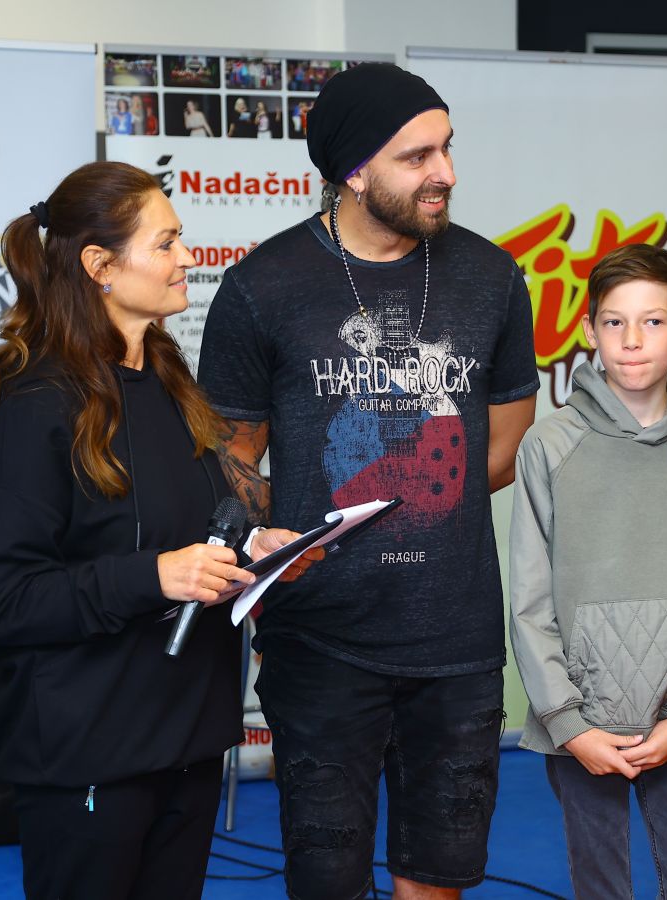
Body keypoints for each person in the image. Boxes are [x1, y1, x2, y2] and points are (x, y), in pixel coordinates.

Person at [198, 62, 538, 899]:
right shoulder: (260, 288)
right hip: (318, 642)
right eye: (418, 155)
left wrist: (414, 493)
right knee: (327, 879)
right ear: (353, 171)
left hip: (455, 642)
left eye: (448, 148)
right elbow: (230, 462)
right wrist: (290, 527)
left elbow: (503, 447)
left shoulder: (491, 278)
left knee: (438, 876)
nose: (446, 173)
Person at [0, 161, 314, 900]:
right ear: (100, 266)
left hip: (185, 740)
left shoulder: (168, 380)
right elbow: (10, 599)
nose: (188, 259)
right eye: (167, 244)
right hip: (89, 755)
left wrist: (253, 551)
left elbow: (190, 531)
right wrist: (155, 576)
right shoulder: (35, 407)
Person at [509, 244, 667, 900]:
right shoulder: (550, 444)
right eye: (614, 323)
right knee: (601, 889)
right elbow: (528, 599)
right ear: (589, 332)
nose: (632, 341)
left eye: (653, 321)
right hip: (584, 729)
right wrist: (569, 723)